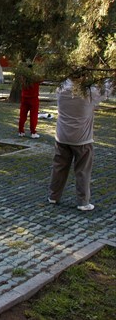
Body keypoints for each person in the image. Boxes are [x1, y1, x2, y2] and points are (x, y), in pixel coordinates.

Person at [47, 76, 113, 211]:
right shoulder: (89, 91)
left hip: (62, 136)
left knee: (59, 168)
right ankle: (83, 202)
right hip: (82, 138)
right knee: (83, 171)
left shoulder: (61, 87)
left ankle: (53, 196)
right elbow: (106, 91)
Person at [18, 64, 42, 139]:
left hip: (24, 98)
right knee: (33, 116)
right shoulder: (35, 77)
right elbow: (41, 79)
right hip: (33, 98)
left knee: (22, 115)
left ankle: (21, 131)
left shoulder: (23, 77)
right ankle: (33, 132)